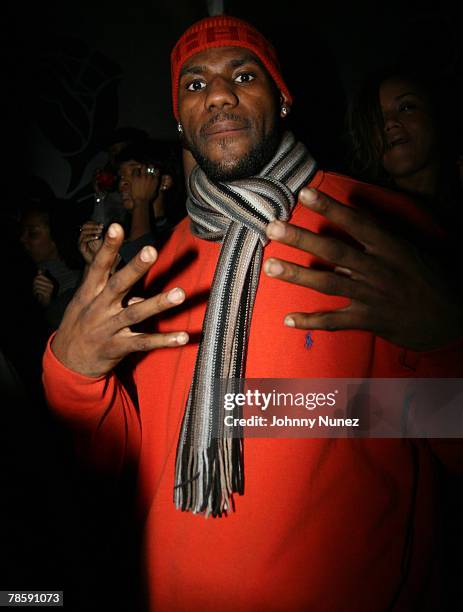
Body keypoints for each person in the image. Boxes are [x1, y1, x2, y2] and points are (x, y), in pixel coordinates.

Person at [43, 16, 463, 611]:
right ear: (181, 126)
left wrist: (448, 343)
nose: (218, 94)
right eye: (195, 85)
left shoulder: (379, 227)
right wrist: (74, 373)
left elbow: (437, 431)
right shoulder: (155, 265)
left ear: (284, 100)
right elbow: (126, 467)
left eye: (243, 75)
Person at [78, 138, 184, 267]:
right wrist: (96, 262)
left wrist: (141, 201)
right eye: (121, 177)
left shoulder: (176, 233)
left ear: (164, 182)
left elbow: (142, 261)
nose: (122, 183)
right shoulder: (121, 232)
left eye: (136, 172)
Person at [20, 199, 82, 331]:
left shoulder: (76, 282)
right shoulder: (24, 274)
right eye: (23, 232)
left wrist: (48, 306)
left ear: (56, 236)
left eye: (33, 233)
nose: (23, 239)